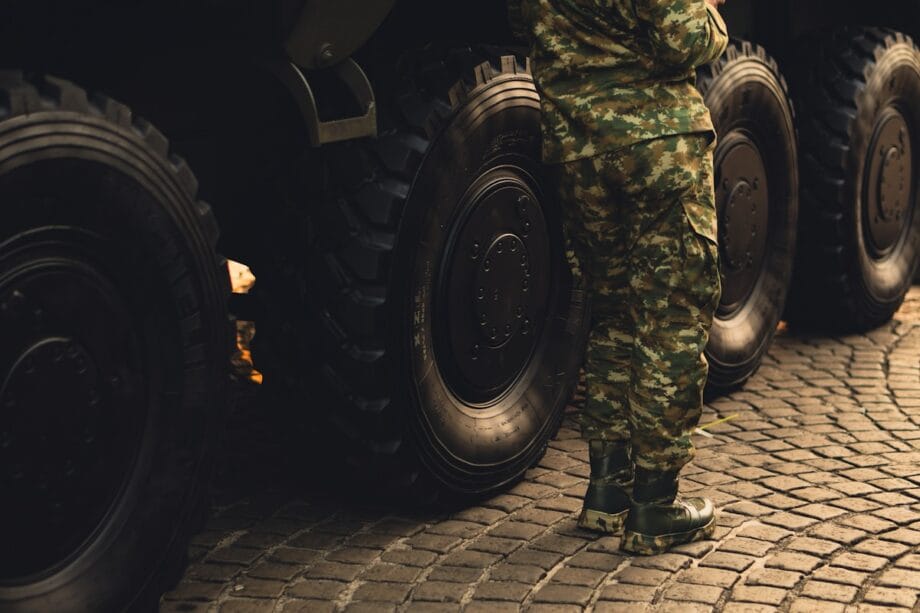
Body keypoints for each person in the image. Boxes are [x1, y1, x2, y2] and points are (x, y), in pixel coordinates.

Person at [517, 0, 729, 555]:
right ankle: (656, 505)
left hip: (577, 146)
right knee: (672, 318)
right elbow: (684, 38)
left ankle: (607, 492)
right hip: (655, 143)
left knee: (611, 311)